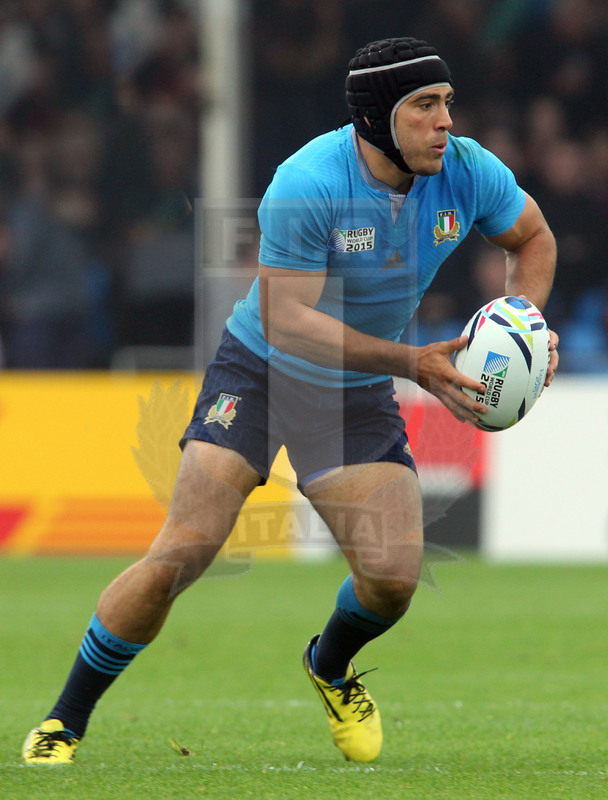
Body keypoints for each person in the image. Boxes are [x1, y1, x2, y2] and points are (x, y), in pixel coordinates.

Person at [22, 36, 558, 765]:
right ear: (377, 117)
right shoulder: (307, 181)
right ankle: (64, 720)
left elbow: (531, 238)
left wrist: (523, 323)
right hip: (262, 370)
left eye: (447, 104)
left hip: (351, 389)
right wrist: (410, 361)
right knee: (184, 550)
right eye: (425, 106)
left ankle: (329, 666)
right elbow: (289, 321)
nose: (445, 122)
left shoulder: (467, 171)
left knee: (393, 581)